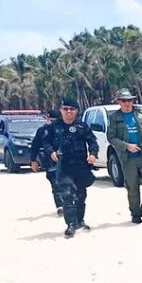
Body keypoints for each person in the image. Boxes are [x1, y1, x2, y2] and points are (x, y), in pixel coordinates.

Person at [44, 99, 99, 238]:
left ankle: (80, 221)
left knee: (81, 195)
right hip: (64, 166)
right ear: (61, 110)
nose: (69, 112)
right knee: (67, 195)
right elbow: (46, 143)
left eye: (72, 109)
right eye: (66, 109)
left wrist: (93, 154)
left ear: (76, 111)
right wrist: (51, 152)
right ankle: (71, 224)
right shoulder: (54, 127)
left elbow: (93, 141)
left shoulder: (82, 126)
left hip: (81, 165)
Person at [108, 88, 142, 223]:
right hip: (128, 158)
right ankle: (135, 214)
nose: (127, 103)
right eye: (124, 101)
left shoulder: (141, 113)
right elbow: (111, 137)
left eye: (129, 100)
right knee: (132, 187)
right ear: (118, 102)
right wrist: (126, 146)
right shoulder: (114, 118)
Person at [30, 109, 63, 214]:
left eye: (55, 120)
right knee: (55, 182)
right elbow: (35, 145)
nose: (52, 122)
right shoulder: (42, 131)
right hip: (49, 161)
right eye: (50, 119)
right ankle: (60, 206)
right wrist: (33, 160)